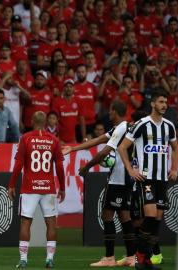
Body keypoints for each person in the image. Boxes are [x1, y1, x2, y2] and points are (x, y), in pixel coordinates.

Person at [63, 100, 136, 267]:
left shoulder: (121, 128)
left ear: (115, 112)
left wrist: (87, 167)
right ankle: (131, 256)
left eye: (110, 111)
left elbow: (104, 151)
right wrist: (73, 149)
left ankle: (109, 257)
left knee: (107, 215)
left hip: (119, 179)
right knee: (125, 216)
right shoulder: (124, 128)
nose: (108, 114)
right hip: (126, 179)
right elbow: (97, 140)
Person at [117, 90, 178, 270]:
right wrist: (131, 169)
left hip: (162, 179)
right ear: (153, 104)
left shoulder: (169, 126)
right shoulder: (141, 124)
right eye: (161, 102)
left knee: (156, 221)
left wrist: (174, 168)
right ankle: (139, 256)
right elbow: (122, 148)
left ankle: (145, 260)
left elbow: (174, 147)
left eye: (166, 102)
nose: (164, 105)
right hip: (146, 178)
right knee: (150, 216)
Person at [8, 111, 66, 269]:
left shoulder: (26, 138)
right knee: (51, 224)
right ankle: (49, 259)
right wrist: (62, 187)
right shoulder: (53, 139)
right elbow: (59, 166)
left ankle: (23, 259)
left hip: (29, 188)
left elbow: (18, 165)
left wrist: (11, 185)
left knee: (26, 222)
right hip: (48, 187)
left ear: (32, 120)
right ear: (46, 122)